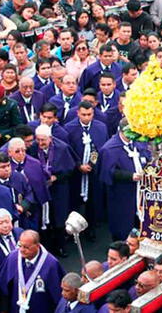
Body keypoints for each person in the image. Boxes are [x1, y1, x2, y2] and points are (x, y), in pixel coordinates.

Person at [28, 124, 77, 257]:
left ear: (50, 138)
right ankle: (46, 248)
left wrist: (57, 177)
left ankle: (61, 246)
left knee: (59, 218)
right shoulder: (32, 148)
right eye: (37, 140)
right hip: (41, 188)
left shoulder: (62, 148)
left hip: (59, 188)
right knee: (44, 219)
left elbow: (71, 169)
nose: (40, 143)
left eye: (43, 140)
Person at [99, 118, 151, 241]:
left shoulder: (137, 142)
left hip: (140, 190)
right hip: (121, 193)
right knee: (122, 223)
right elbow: (107, 172)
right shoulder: (109, 148)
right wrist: (130, 176)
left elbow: (147, 156)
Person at [64, 99, 109, 238]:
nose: (86, 117)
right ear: (78, 113)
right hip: (75, 172)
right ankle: (72, 230)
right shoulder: (69, 128)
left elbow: (100, 148)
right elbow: (68, 151)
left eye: (89, 114)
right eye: (83, 114)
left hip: (92, 171)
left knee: (93, 201)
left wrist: (90, 163)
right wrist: (78, 165)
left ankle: (91, 229)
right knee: (74, 200)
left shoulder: (100, 127)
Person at [0, 230, 65, 313]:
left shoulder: (51, 264)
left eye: (26, 247)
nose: (21, 250)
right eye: (20, 245)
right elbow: (4, 286)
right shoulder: (13, 258)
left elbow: (58, 295)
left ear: (37, 246)